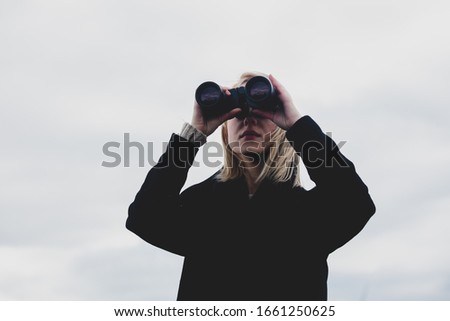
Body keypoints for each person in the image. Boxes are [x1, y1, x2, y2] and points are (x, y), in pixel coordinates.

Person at [126, 72, 376, 300]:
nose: (248, 121)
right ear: (225, 133)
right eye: (238, 115)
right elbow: (144, 217)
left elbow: (356, 204)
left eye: (259, 112)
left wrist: (298, 124)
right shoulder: (202, 205)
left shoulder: (309, 211)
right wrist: (192, 135)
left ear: (281, 128)